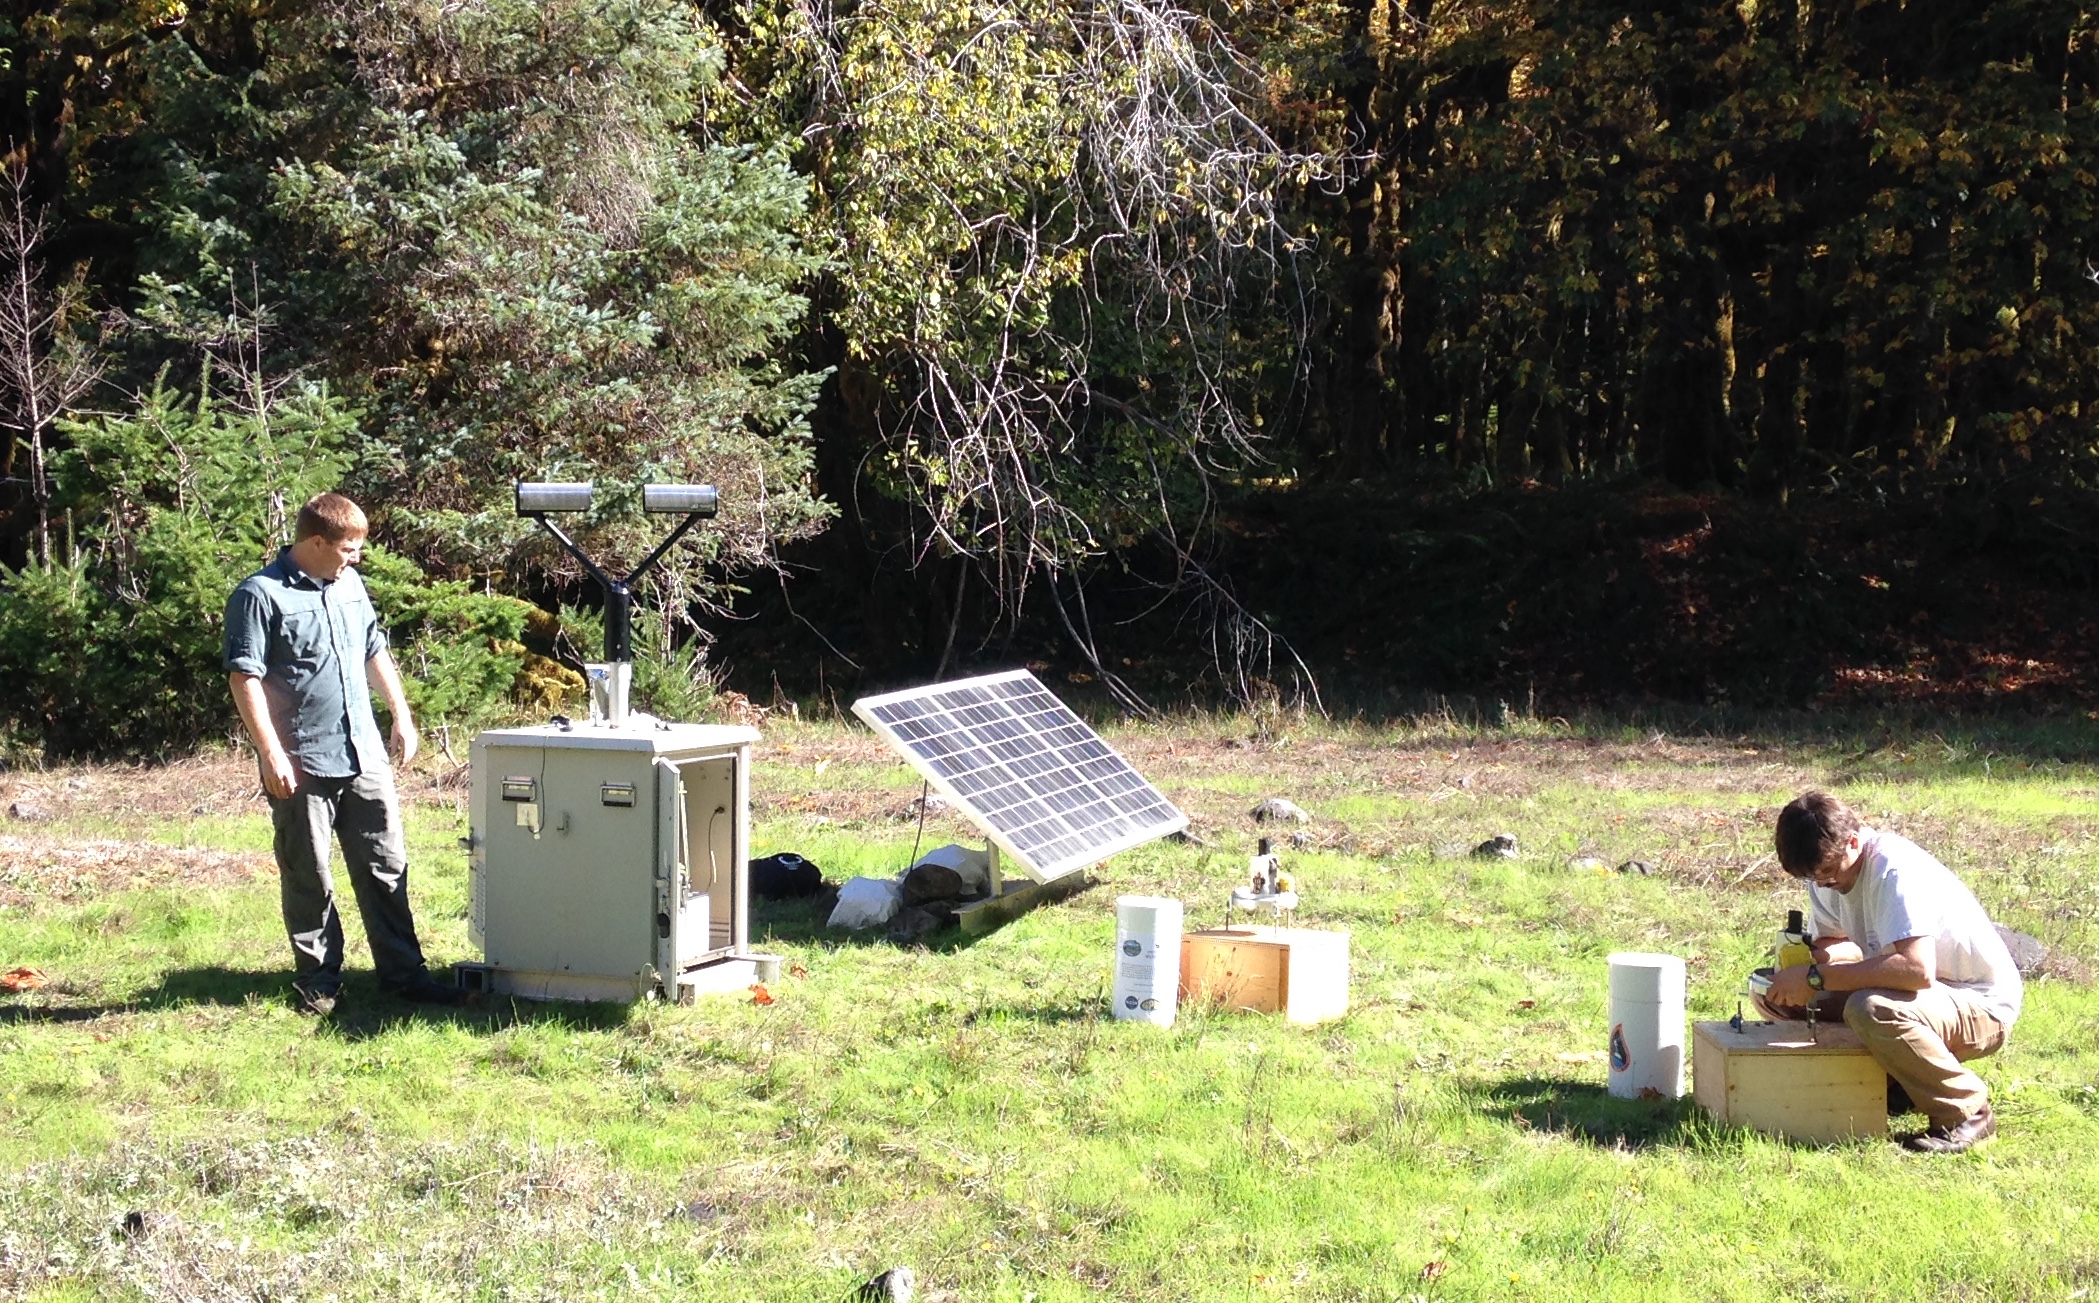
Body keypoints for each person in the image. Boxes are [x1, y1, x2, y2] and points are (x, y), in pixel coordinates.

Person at [223, 491, 463, 1015]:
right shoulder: (259, 596)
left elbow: (374, 649)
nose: (356, 558)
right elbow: (245, 678)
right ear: (315, 541)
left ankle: (404, 976)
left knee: (385, 864)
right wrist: (272, 753)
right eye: (348, 548)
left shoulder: (349, 585)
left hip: (364, 754)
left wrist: (401, 714)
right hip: (302, 759)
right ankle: (319, 980)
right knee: (308, 871)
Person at [1759, 791, 2022, 1154]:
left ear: (1853, 841)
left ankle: (1967, 1111)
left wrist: (1815, 978)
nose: (1821, 884)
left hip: (1979, 1003)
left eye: (1828, 873)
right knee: (1775, 996)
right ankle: (1887, 1086)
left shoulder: (1893, 869)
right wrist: (1804, 963)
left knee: (1871, 1008)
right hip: (1920, 997)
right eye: (1810, 877)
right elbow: (1842, 944)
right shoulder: (1827, 872)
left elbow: (1916, 970)